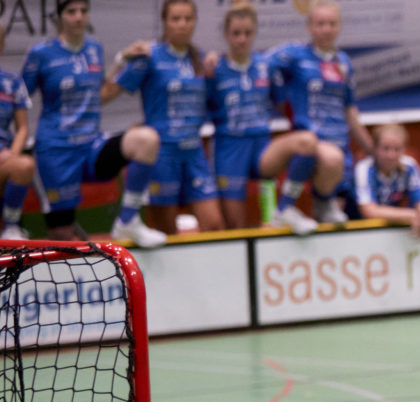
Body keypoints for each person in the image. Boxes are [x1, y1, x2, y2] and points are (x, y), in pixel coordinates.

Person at [21, 0, 167, 246]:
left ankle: (128, 222)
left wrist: (123, 61)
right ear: (60, 17)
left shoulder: (94, 49)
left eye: (83, 11)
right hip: (56, 152)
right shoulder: (41, 54)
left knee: (146, 139)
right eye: (71, 12)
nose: (78, 17)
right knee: (62, 237)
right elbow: (18, 96)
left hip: (91, 147)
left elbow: (96, 95)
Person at [205, 2, 342, 235]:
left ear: (255, 34)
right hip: (229, 151)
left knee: (306, 141)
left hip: (261, 148)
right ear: (226, 34)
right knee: (234, 229)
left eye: (247, 33)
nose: (241, 39)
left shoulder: (265, 66)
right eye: (236, 33)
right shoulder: (213, 67)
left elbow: (282, 103)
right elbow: (201, 106)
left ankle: (285, 209)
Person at [105, 0, 224, 235]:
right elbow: (105, 94)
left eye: (188, 18)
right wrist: (120, 59)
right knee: (166, 231)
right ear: (164, 22)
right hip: (162, 155)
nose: (182, 24)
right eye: (176, 19)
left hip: (194, 153)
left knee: (214, 225)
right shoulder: (149, 56)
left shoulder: (200, 59)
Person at [268, 0, 374, 225]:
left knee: (334, 223)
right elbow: (260, 64)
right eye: (320, 24)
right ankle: (284, 207)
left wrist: (371, 148)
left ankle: (323, 203)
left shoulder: (344, 63)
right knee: (331, 159)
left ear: (339, 27)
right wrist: (279, 98)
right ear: (309, 27)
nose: (326, 29)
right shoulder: (295, 56)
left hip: (340, 146)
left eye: (332, 24)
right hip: (309, 144)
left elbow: (350, 110)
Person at [353, 124, 420, 240]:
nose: (391, 155)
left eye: (397, 149)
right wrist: (413, 215)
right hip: (362, 233)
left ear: (404, 150)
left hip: (394, 232)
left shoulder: (409, 166)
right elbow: (370, 211)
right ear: (375, 148)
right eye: (386, 148)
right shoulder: (364, 168)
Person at [0, 27, 36, 240]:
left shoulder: (12, 81)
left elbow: (22, 128)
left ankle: (11, 227)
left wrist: (11, 154)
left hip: (4, 159)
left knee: (24, 165)